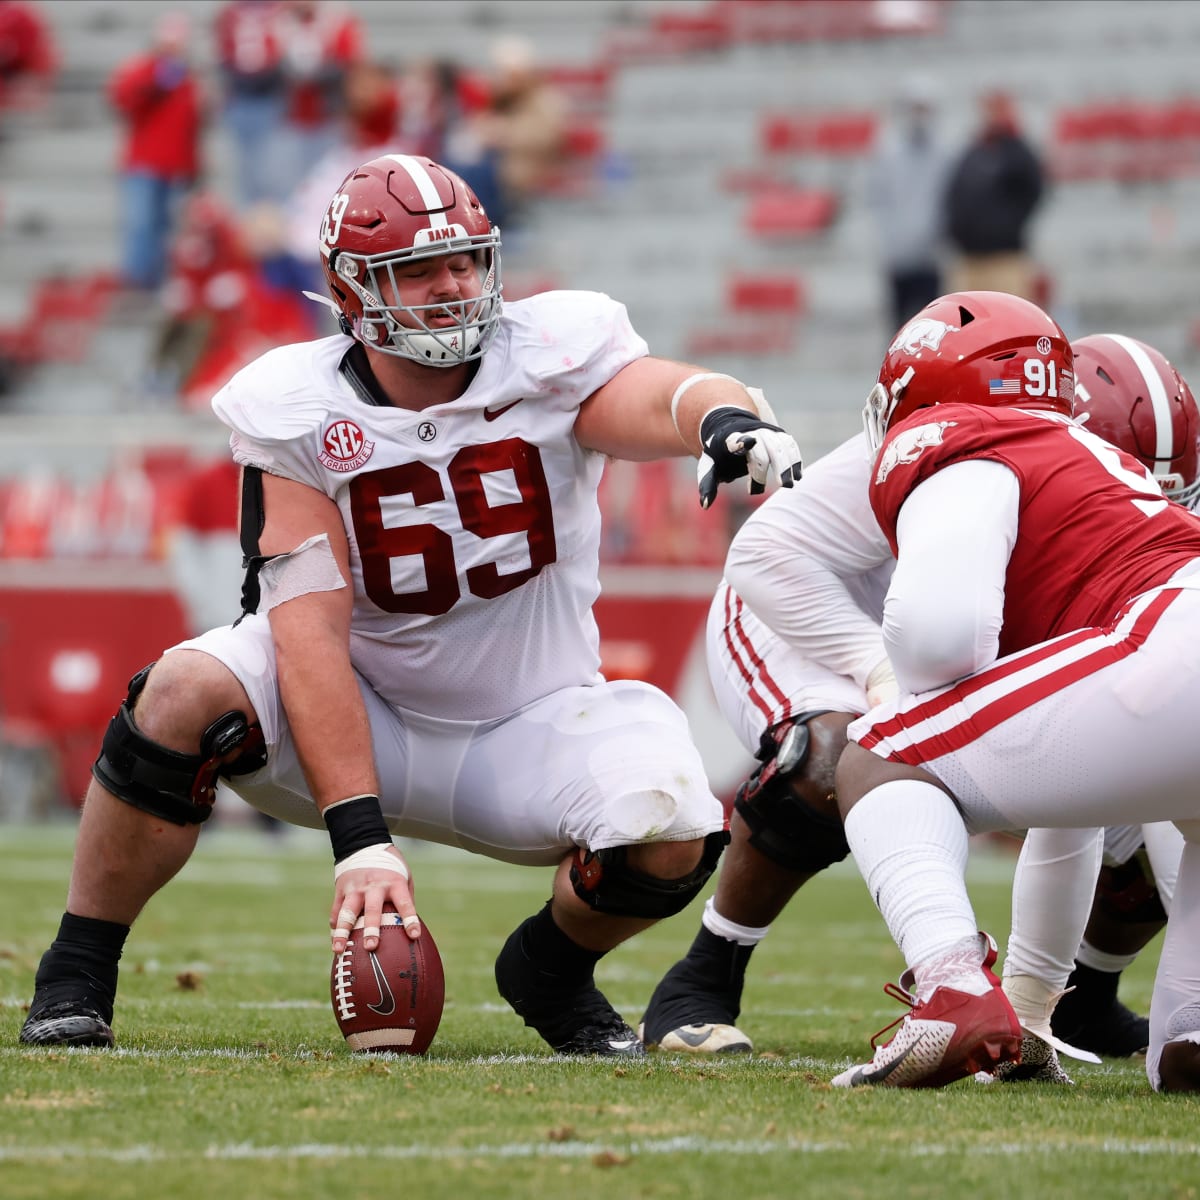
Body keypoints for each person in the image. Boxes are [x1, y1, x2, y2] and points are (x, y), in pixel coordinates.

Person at [18, 153, 803, 1058]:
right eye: (419, 269)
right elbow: (306, 632)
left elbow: (666, 393)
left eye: (466, 259)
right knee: (182, 691)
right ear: (353, 290)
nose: (453, 286)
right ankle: (76, 972)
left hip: (531, 720)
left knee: (673, 823)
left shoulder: (548, 356)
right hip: (362, 712)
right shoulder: (296, 406)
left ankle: (546, 970)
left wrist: (724, 419)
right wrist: (361, 840)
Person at [640, 330, 1197, 1062]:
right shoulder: (966, 437)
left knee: (1117, 801)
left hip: (1096, 635)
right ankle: (704, 975)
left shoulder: (1056, 474)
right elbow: (770, 557)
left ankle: (1042, 997)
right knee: (836, 756)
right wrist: (882, 676)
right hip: (811, 605)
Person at [828, 289, 1200, 1092]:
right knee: (1187, 1051)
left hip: (1173, 642)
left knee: (878, 755)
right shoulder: (1099, 464)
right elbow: (1089, 805)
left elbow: (939, 635)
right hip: (1177, 638)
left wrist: (936, 735)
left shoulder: (958, 437)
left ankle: (951, 985)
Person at [107, 12, 203, 292]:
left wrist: (194, 167)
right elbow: (123, 101)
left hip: (175, 166)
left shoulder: (187, 80)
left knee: (166, 227)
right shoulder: (142, 70)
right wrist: (153, 86)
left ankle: (160, 281)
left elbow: (191, 126)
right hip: (144, 164)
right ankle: (137, 281)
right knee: (141, 224)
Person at [865, 74, 953, 333]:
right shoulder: (888, 154)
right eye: (915, 108)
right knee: (898, 330)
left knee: (933, 331)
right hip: (898, 257)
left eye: (924, 108)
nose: (919, 116)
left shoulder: (945, 154)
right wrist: (890, 239)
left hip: (931, 258)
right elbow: (879, 200)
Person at [944, 91, 1044, 301]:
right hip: (970, 258)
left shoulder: (1017, 152)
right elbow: (954, 193)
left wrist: (1007, 226)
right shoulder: (973, 151)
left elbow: (1033, 190)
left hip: (1004, 257)